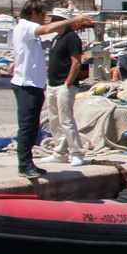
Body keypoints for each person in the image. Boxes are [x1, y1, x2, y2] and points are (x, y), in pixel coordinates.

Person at [8, 1, 95, 179]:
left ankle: (30, 162)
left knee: (34, 126)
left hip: (35, 85)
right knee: (27, 127)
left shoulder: (64, 37)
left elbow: (76, 61)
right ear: (33, 13)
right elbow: (47, 30)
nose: (44, 20)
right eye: (42, 15)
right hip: (27, 85)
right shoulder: (25, 27)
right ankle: (24, 164)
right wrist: (74, 19)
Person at [45, 17, 90, 166]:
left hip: (65, 86)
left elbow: (76, 62)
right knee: (54, 120)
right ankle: (60, 152)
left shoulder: (72, 38)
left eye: (57, 20)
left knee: (66, 119)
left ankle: (77, 152)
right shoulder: (56, 38)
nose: (53, 22)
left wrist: (68, 82)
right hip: (52, 84)